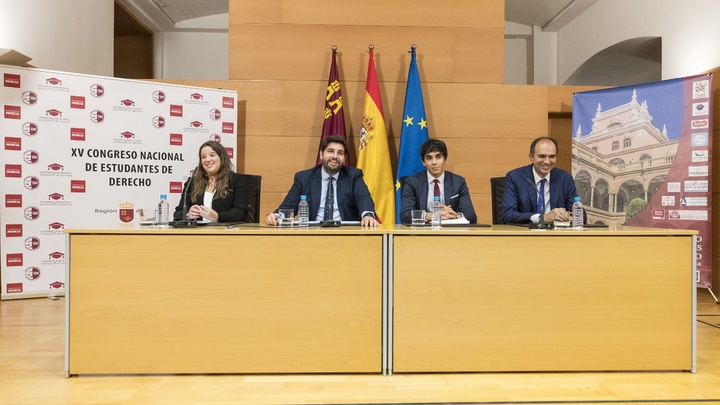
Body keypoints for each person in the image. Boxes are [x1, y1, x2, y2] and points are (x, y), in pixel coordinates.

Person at [265, 136, 379, 227]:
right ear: (321, 154)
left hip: (345, 235)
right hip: (313, 235)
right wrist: (275, 216)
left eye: (340, 153)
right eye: (330, 151)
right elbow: (289, 205)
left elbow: (364, 198)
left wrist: (368, 214)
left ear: (344, 158)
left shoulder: (353, 176)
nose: (335, 156)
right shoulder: (304, 178)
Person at [501, 136, 583, 225]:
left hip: (557, 235)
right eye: (542, 156)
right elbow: (508, 215)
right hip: (525, 235)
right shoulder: (515, 177)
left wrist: (567, 216)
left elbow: (581, 215)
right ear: (531, 157)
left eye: (552, 156)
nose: (547, 162)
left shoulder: (565, 178)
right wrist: (542, 218)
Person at [400, 139, 477, 224]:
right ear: (423, 162)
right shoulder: (412, 182)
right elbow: (405, 215)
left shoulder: (458, 182)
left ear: (445, 159)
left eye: (438, 157)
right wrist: (431, 216)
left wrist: (455, 215)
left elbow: (471, 216)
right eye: (429, 158)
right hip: (422, 233)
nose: (434, 162)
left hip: (451, 233)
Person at [173, 141, 248, 223]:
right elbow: (178, 213)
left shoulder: (237, 180)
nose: (207, 160)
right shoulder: (192, 182)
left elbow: (240, 213)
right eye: (203, 157)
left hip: (224, 233)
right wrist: (188, 215)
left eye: (212, 155)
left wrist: (217, 216)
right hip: (198, 233)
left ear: (221, 158)